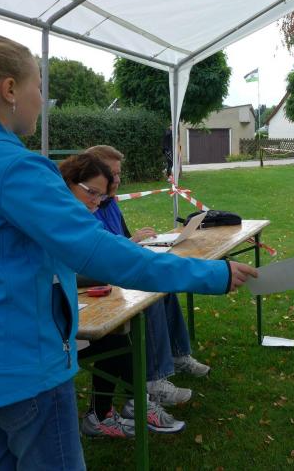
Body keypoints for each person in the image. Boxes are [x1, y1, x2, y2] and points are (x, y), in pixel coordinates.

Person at [0, 32, 257, 469]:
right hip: (22, 366)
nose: (41, 99)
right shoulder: (14, 168)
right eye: (38, 86)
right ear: (9, 90)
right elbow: (101, 253)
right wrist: (211, 273)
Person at [59, 153, 184, 437]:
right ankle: (132, 402)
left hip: (63, 315)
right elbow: (70, 269)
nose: (97, 201)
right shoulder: (57, 221)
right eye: (92, 192)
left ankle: (120, 407)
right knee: (119, 338)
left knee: (121, 334)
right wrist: (108, 269)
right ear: (68, 183)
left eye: (101, 195)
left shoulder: (82, 213)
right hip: (46, 334)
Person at [85, 144, 208, 409]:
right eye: (112, 174)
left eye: (119, 173)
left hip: (118, 272)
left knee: (165, 287)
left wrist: (141, 243)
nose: (117, 179)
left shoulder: (109, 203)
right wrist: (133, 243)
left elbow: (121, 241)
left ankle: (178, 355)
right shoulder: (88, 206)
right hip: (100, 283)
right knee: (149, 298)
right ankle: (154, 380)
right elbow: (99, 252)